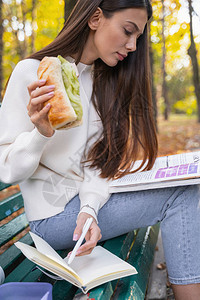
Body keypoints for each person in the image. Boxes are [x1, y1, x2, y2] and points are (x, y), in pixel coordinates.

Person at [0, 0, 199, 299]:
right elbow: (7, 170)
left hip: (82, 209)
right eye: (128, 31)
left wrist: (89, 210)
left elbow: (96, 165)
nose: (132, 46)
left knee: (185, 183)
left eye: (138, 38)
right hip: (50, 218)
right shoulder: (32, 73)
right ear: (95, 18)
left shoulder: (100, 82)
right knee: (182, 195)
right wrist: (40, 134)